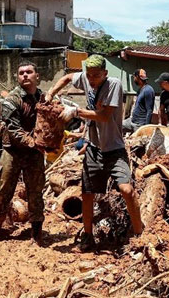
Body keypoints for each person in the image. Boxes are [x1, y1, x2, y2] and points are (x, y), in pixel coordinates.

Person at [47, 54, 143, 252]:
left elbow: (105, 116)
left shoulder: (113, 84)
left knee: (127, 190)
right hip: (93, 148)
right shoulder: (86, 78)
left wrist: (76, 111)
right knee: (87, 194)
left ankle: (139, 234)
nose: (91, 80)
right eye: (89, 75)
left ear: (105, 73)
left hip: (114, 148)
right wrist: (50, 94)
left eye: (96, 76)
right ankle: (88, 236)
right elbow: (66, 78)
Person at [0, 61, 47, 245]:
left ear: (37, 76)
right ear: (17, 77)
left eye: (29, 72)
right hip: (13, 151)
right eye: (21, 72)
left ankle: (36, 233)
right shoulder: (12, 100)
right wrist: (34, 142)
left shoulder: (43, 98)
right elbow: (13, 129)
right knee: (3, 189)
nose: (25, 75)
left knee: (36, 192)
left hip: (34, 153)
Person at [122, 69, 155, 133]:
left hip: (140, 125)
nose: (134, 79)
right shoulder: (140, 90)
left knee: (138, 142)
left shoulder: (148, 90)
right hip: (132, 121)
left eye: (134, 77)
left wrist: (146, 127)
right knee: (118, 126)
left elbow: (149, 110)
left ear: (137, 77)